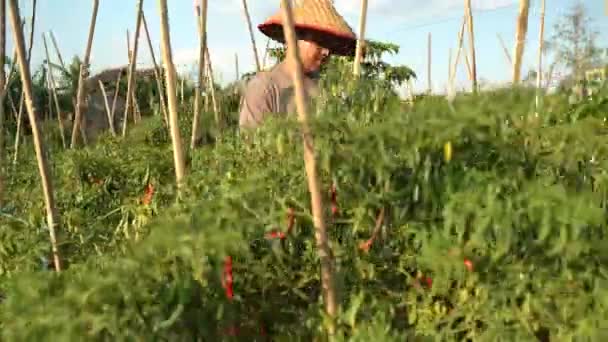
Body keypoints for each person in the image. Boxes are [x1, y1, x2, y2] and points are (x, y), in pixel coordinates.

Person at [238, 0, 358, 129]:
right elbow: (251, 144)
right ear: (294, 38)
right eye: (320, 43)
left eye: (329, 45)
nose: (326, 51)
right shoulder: (265, 88)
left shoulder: (325, 91)